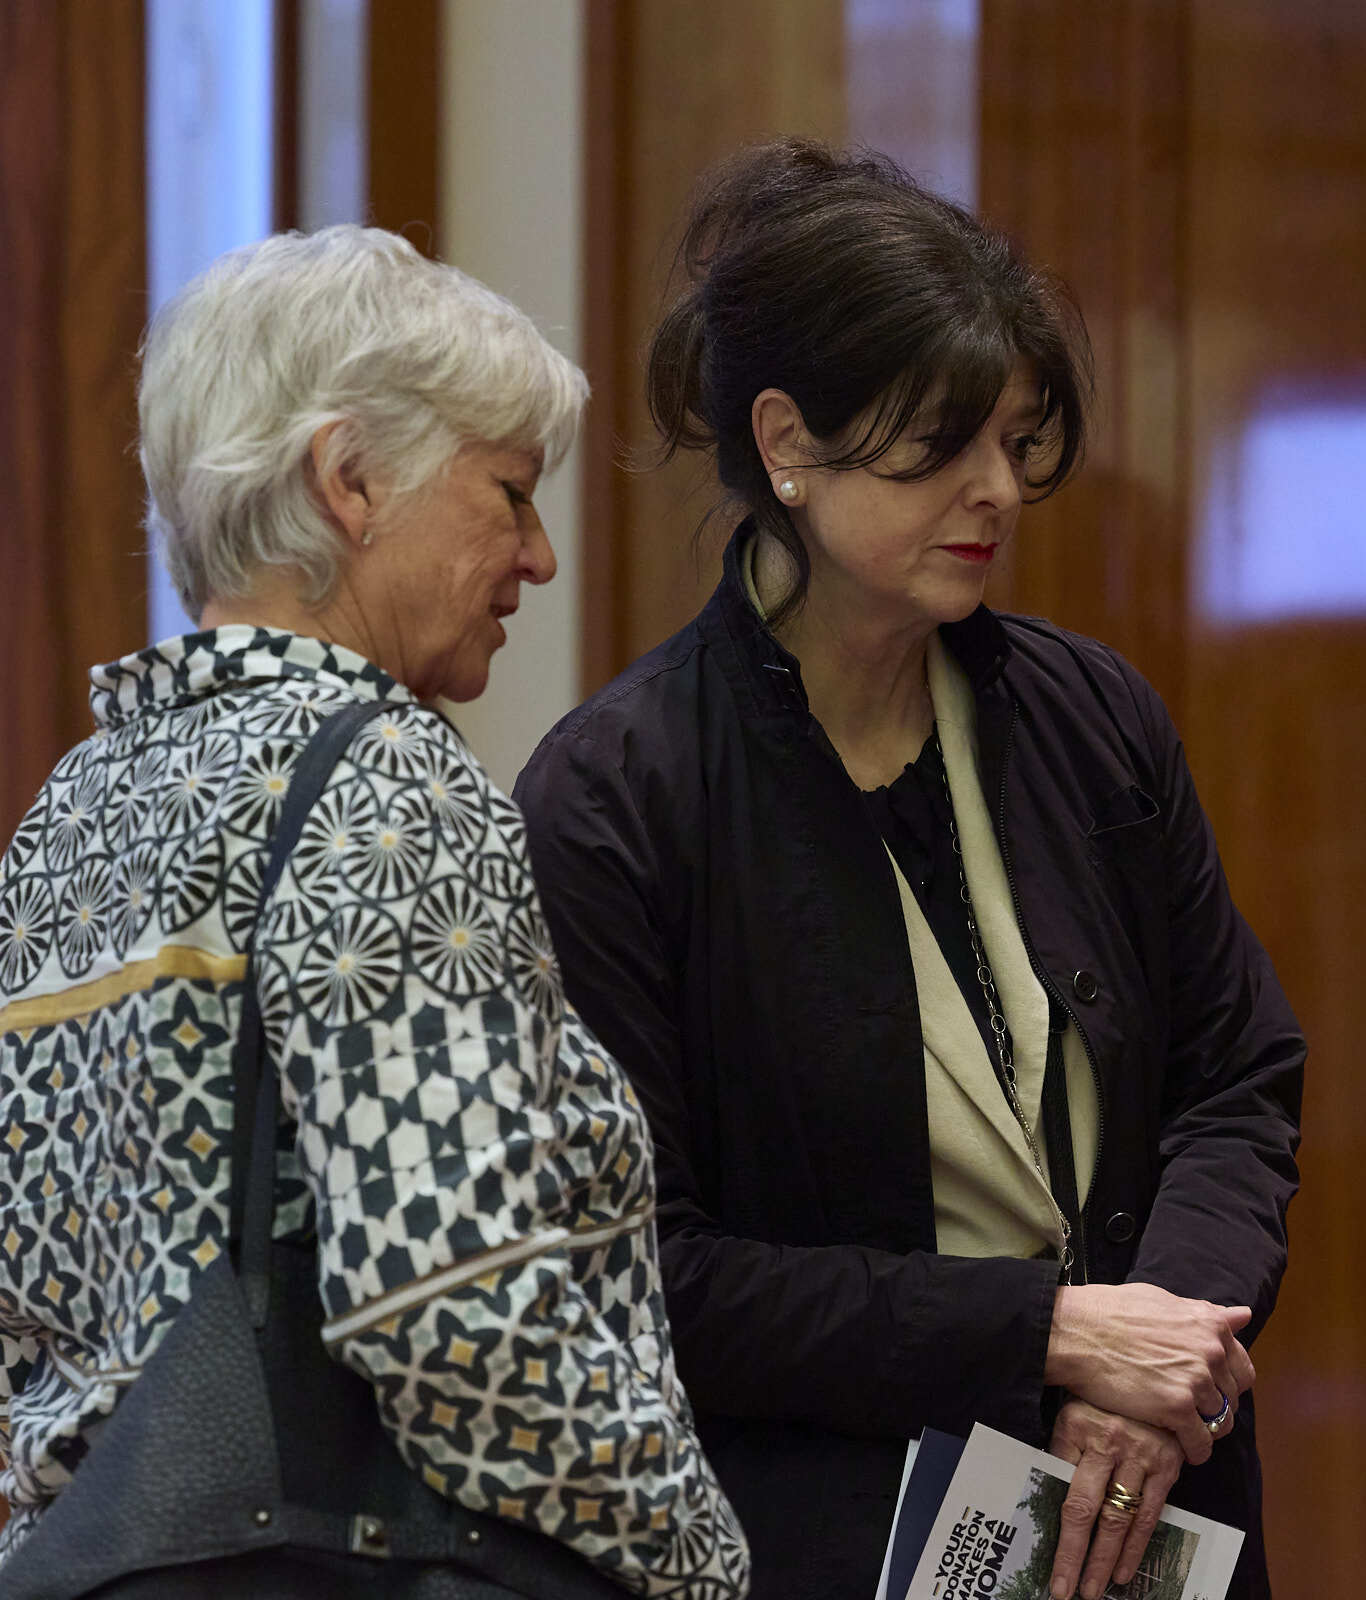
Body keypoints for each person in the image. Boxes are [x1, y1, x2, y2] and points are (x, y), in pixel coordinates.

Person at [513, 140, 1304, 1600]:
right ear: (787, 444)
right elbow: (650, 1274)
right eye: (940, 445)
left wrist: (1148, 1360)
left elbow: (1237, 1076)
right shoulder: (617, 797)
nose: (997, 489)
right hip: (835, 1531)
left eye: (1017, 439)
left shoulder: (1092, 718)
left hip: (1154, 1499)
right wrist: (1048, 1333)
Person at [0, 227, 748, 1598]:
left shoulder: (54, 833)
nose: (541, 554)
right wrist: (694, 1557)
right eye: (509, 492)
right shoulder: (380, 781)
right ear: (349, 478)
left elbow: (9, 1336)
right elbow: (453, 1301)